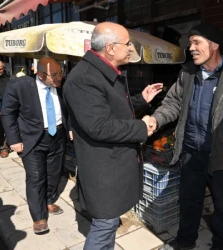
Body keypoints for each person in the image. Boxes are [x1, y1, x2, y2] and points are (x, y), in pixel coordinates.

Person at [147, 24, 223, 250]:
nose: (191, 48)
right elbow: (173, 103)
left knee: (221, 203)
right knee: (189, 201)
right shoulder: (188, 72)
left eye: (196, 42)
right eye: (190, 43)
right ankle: (185, 241)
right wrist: (156, 119)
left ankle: (219, 244)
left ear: (215, 45)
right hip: (191, 151)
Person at [63, 22, 163, 250]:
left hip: (112, 165)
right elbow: (99, 126)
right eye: (128, 44)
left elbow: (111, 108)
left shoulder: (102, 72)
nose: (130, 49)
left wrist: (140, 100)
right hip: (103, 170)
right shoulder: (85, 78)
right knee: (104, 225)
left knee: (107, 225)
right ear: (110, 48)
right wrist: (141, 127)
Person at [1, 57, 70, 234]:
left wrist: (70, 129)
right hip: (32, 139)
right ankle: (38, 216)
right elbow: (8, 114)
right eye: (54, 75)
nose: (58, 78)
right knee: (36, 177)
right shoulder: (19, 86)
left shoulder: (61, 85)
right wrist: (14, 140)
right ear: (39, 73)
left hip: (57, 135)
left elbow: (68, 109)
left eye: (60, 73)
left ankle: (49, 200)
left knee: (54, 173)